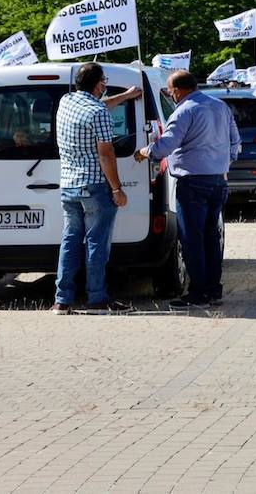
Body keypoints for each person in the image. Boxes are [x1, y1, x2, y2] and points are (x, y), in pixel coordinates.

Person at [135, 70, 240, 310]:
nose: (171, 96)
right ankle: (213, 289)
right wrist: (224, 163)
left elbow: (165, 146)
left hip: (193, 183)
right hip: (217, 180)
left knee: (192, 240)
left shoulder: (184, 111)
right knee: (212, 238)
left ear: (178, 90)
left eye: (171, 91)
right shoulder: (220, 106)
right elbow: (235, 141)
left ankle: (199, 293)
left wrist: (143, 152)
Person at [53, 62, 142, 314]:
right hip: (94, 186)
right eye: (103, 81)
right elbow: (106, 153)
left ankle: (62, 300)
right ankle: (97, 299)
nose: (105, 85)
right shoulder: (99, 113)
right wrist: (117, 189)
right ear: (99, 84)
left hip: (69, 185)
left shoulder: (66, 101)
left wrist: (125, 96)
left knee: (70, 240)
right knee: (96, 242)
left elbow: (96, 107)